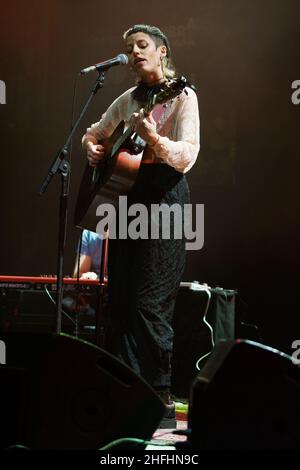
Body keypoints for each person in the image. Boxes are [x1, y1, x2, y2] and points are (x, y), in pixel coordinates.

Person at [82, 24, 200, 427]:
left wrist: (154, 139)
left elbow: (187, 155)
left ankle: (160, 397)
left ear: (162, 52)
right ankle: (129, 394)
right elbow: (95, 132)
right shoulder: (129, 98)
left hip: (166, 197)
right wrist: (93, 147)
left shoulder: (182, 95)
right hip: (128, 198)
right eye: (129, 48)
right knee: (122, 298)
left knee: (151, 303)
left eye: (142, 46)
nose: (134, 53)